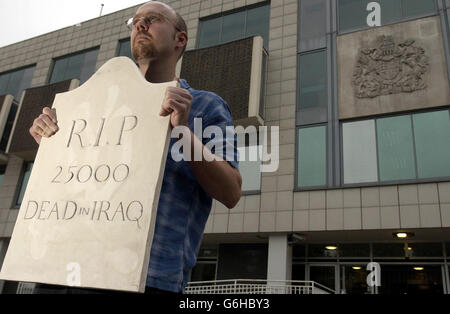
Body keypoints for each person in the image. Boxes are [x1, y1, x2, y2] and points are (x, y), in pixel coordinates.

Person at [29, 1, 242, 295]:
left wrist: (182, 132)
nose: (140, 25)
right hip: (62, 271)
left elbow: (231, 192)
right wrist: (52, 147)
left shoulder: (205, 106)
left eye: (153, 19)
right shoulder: (95, 109)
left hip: (147, 277)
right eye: (135, 20)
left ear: (180, 39)